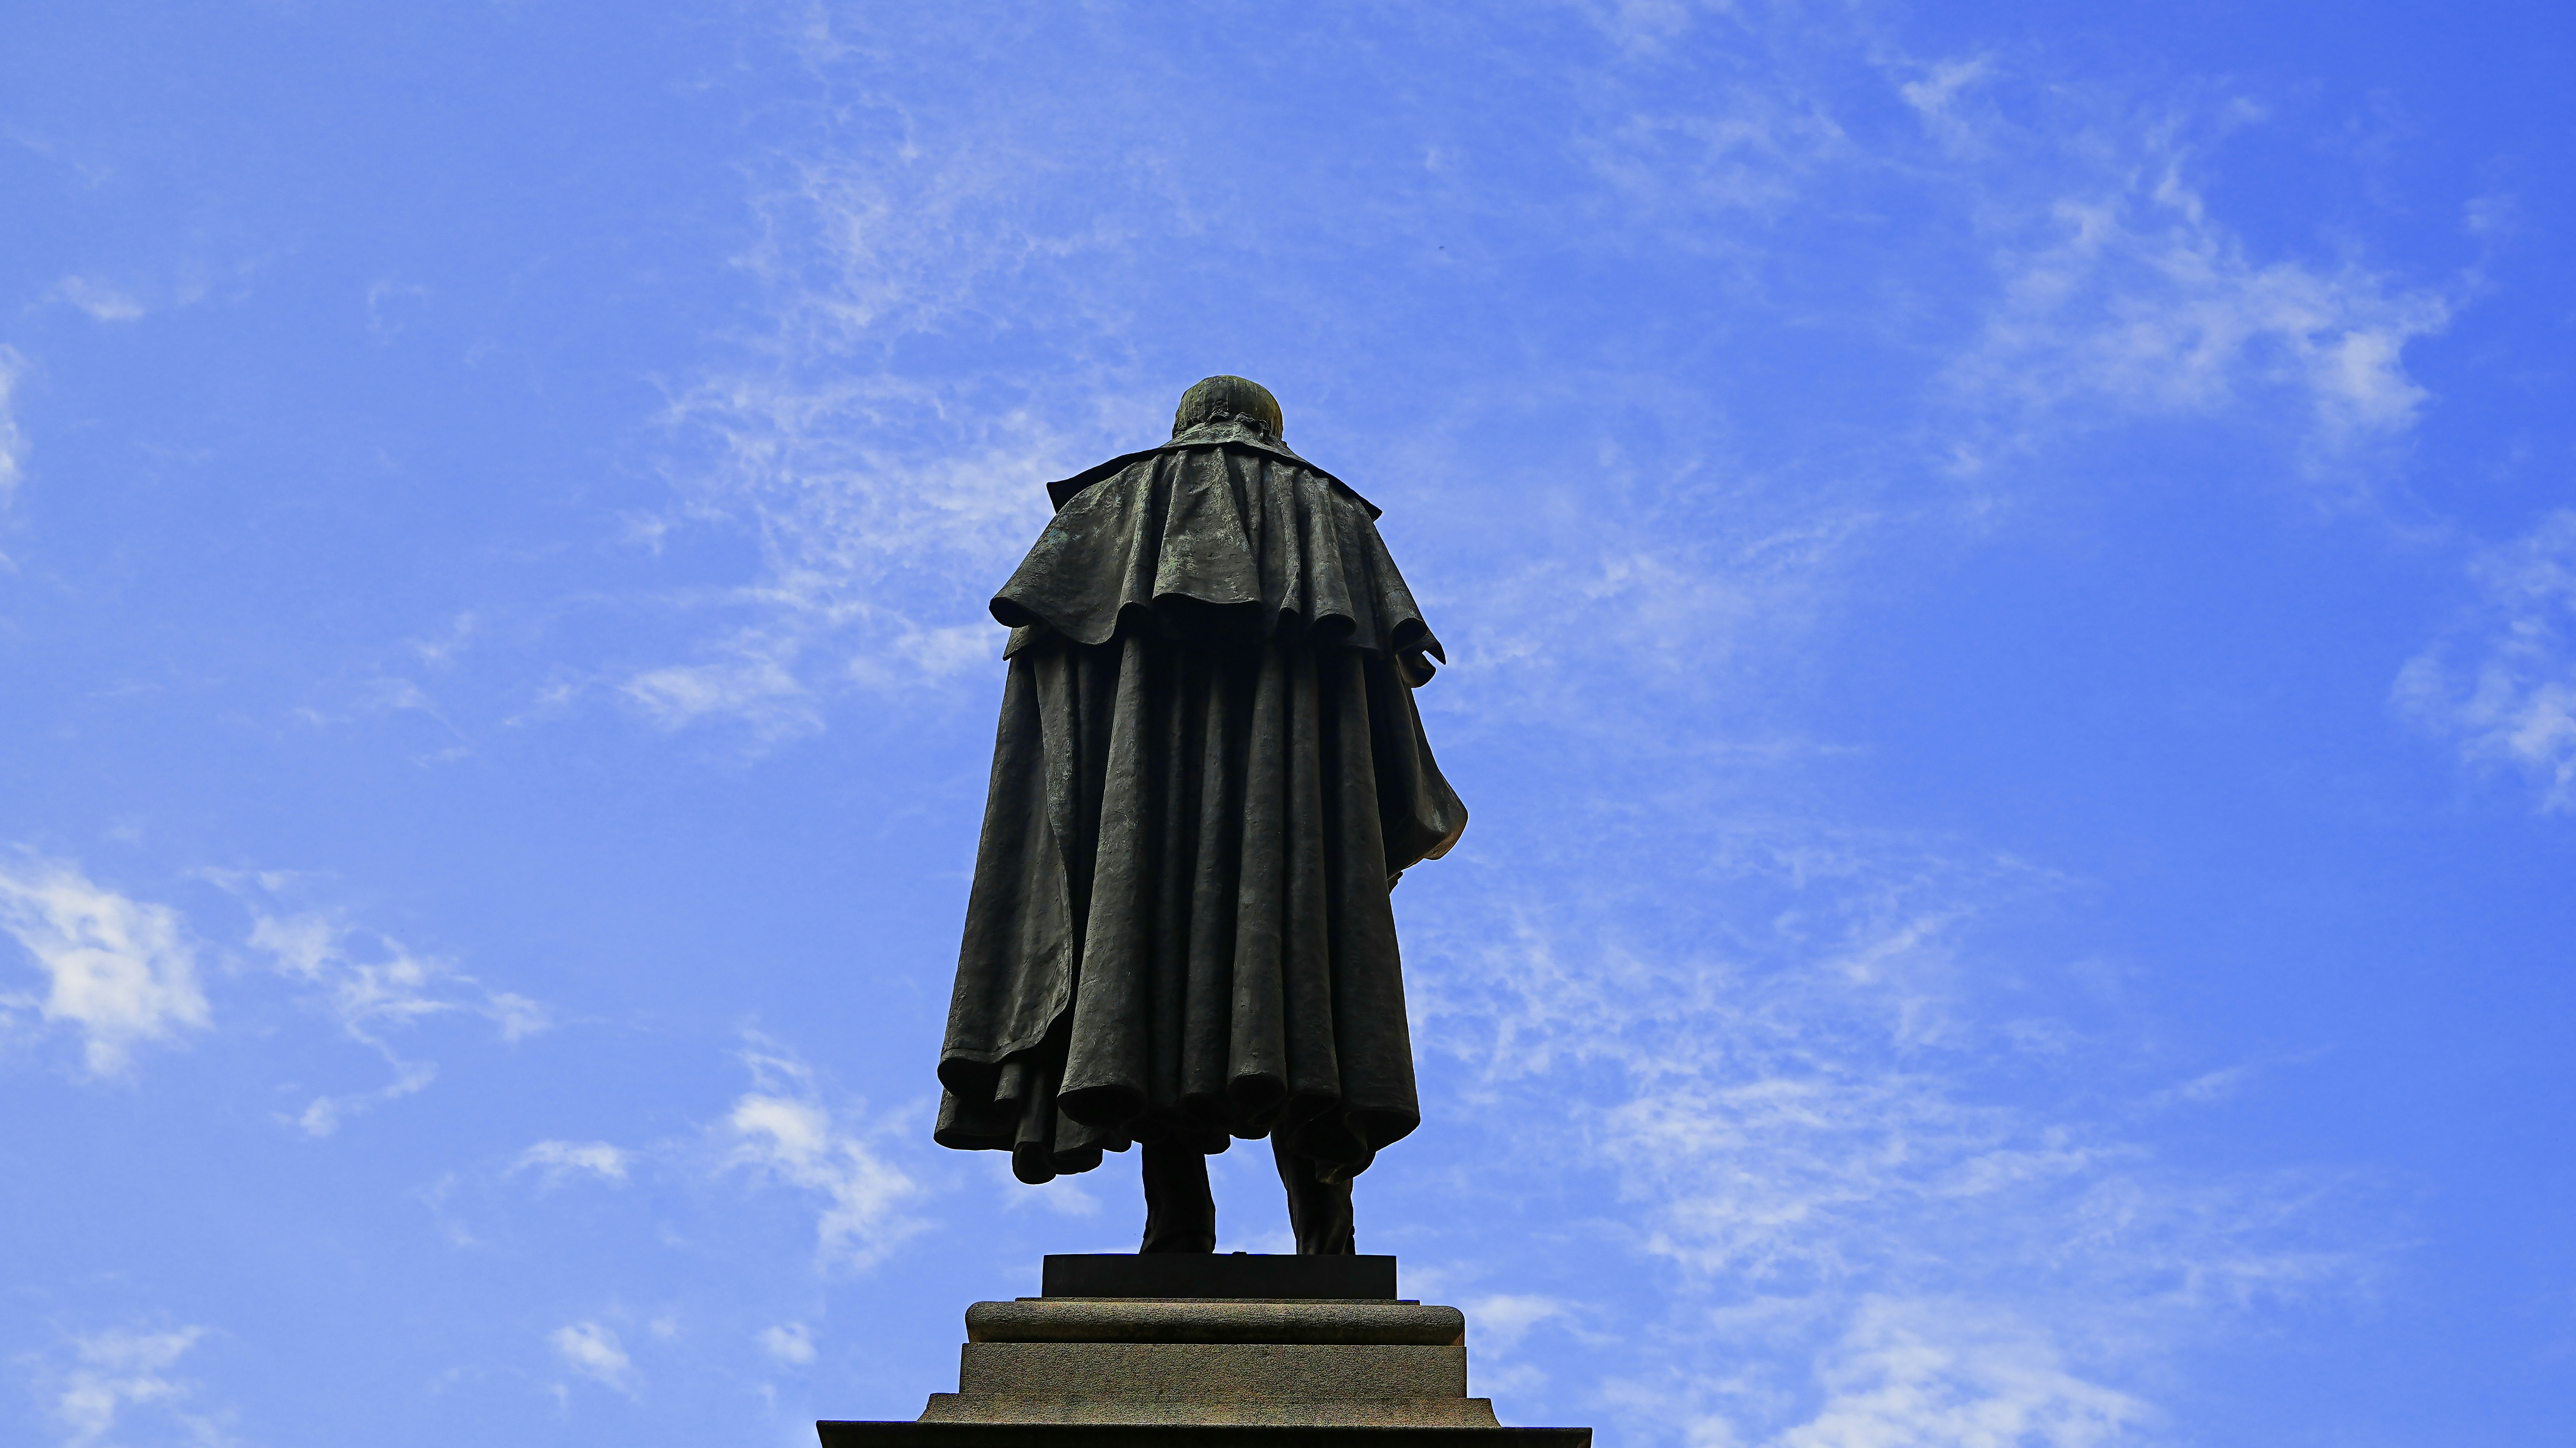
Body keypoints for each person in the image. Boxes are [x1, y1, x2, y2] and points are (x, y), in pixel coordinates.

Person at [932, 376, 1466, 1254]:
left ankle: (1177, 1221)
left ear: (1181, 424)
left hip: (1138, 834)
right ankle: (1326, 1234)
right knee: (1312, 1004)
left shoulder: (1107, 512)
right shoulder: (1326, 515)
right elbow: (1380, 691)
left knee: (1143, 992)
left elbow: (1045, 704)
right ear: (1272, 430)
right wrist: (1415, 806)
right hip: (1296, 842)